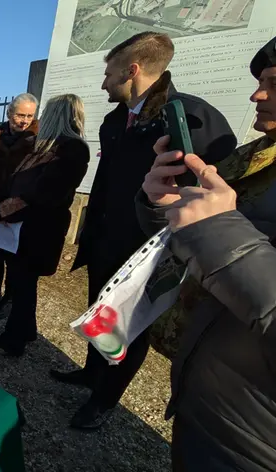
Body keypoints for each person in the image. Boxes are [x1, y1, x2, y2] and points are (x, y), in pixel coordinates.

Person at [50, 32, 237, 430]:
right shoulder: (118, 120)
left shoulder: (185, 115)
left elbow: (216, 165)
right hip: (104, 238)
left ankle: (103, 400)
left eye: (109, 73)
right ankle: (90, 372)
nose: (104, 83)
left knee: (128, 327)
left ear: (132, 70)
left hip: (144, 249)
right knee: (99, 310)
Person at [136, 35, 276, 471]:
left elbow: (226, 244)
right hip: (210, 395)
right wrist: (164, 210)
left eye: (272, 81)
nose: (257, 94)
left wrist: (216, 231)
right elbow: (198, 241)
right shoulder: (253, 156)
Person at [0, 94, 89, 356]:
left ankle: (14, 340)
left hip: (39, 229)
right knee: (24, 282)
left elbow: (46, 192)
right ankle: (26, 330)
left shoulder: (72, 149)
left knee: (23, 282)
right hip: (24, 226)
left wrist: (8, 208)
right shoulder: (47, 146)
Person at [0, 93, 39, 319]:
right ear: (9, 113)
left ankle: (8, 299)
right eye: (20, 115)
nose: (24, 120)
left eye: (29, 116)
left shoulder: (38, 139)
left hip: (18, 209)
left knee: (13, 255)